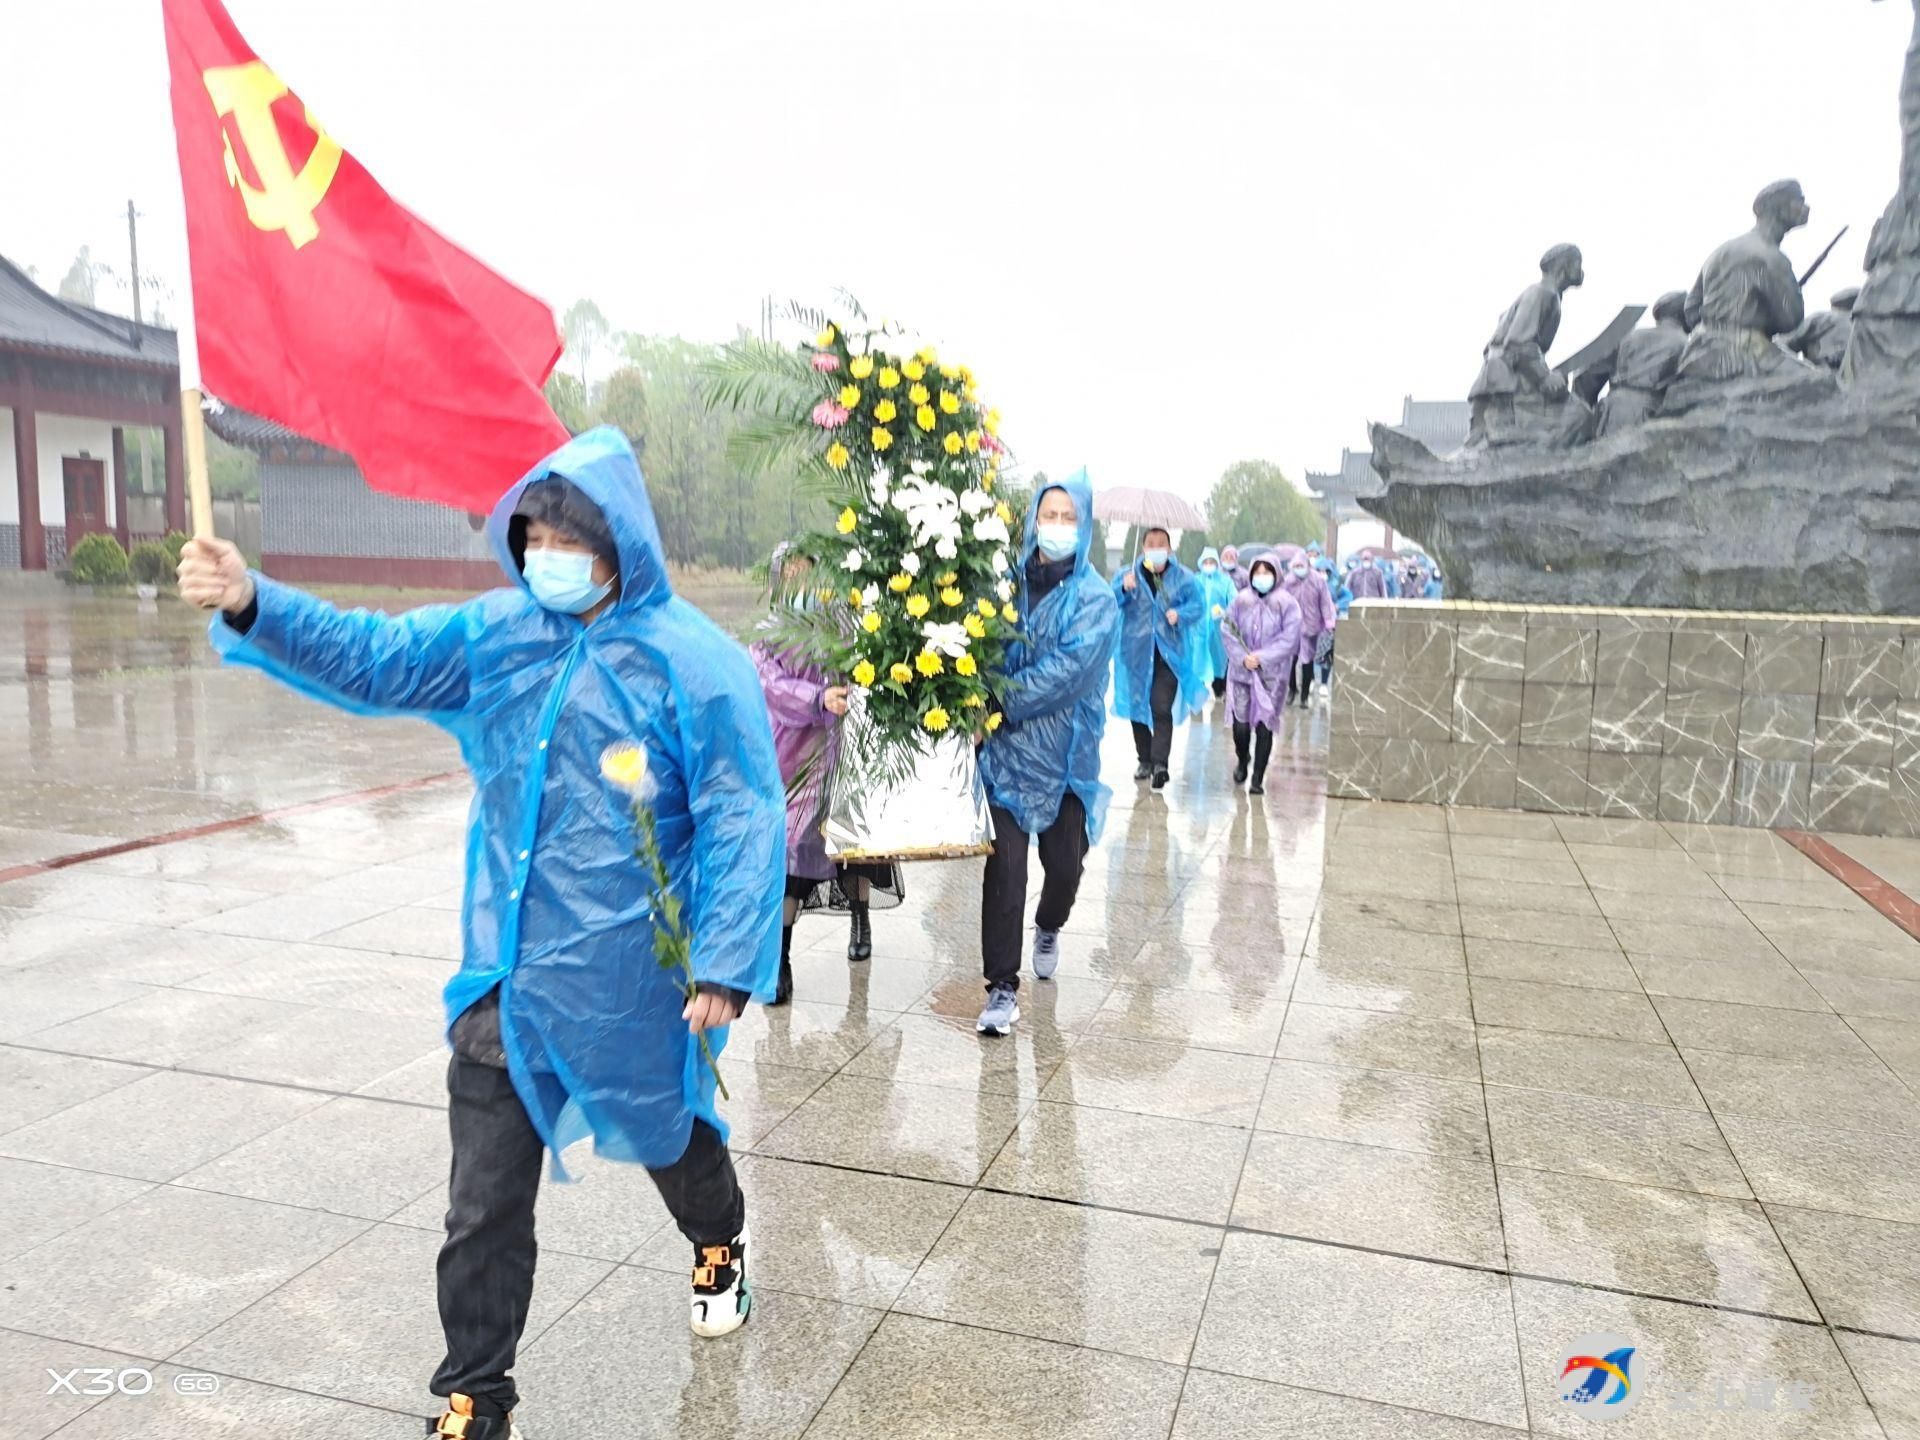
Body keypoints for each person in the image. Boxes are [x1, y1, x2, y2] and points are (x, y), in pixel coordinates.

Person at [177, 427, 784, 1440]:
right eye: (531, 536)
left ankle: (719, 1238)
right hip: (503, 978)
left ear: (619, 546)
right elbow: (375, 656)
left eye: (567, 538)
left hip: (629, 980)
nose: (544, 554)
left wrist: (723, 962)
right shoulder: (498, 633)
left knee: (667, 1137)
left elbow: (741, 811)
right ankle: (475, 1395)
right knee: (483, 1206)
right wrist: (252, 600)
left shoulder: (696, 663)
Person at [975, 473, 1120, 1036]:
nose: (1056, 526)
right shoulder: (1002, 587)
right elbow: (981, 648)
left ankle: (1050, 922)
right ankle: (1001, 988)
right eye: (1049, 515)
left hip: (1065, 757)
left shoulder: (1096, 600)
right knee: (1005, 865)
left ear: (1084, 527)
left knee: (1063, 867)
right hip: (1007, 753)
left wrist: (1000, 699)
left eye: (1068, 517)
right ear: (1034, 520)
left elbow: (1068, 672)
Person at [749, 544, 904, 1004]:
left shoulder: (847, 624)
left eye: (809, 573)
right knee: (793, 855)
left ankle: (860, 917)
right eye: (792, 573)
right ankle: (780, 957)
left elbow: (872, 667)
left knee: (854, 848)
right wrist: (817, 699)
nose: (802, 582)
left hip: (849, 751)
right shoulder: (768, 633)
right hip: (796, 759)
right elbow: (770, 686)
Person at [1678, 180, 1811, 380]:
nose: (1805, 207)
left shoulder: (1719, 252)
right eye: (1799, 200)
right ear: (1779, 207)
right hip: (1745, 354)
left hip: (1700, 350)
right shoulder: (1772, 258)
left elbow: (1691, 309)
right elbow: (1790, 320)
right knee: (1821, 381)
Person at [1112, 526, 1207, 789]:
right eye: (1150, 544)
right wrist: (1123, 589)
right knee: (1138, 707)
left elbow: (1198, 605)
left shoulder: (1183, 578)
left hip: (1169, 656)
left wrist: (1180, 614)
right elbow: (1109, 600)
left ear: (1169, 548)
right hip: (1136, 654)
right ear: (1143, 548)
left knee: (1161, 707)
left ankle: (1160, 764)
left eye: (1161, 544)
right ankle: (1144, 759)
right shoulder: (1129, 575)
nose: (1156, 548)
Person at [1468, 243, 1587, 446]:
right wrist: (1544, 377)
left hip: (1511, 379)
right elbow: (1517, 342)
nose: (1581, 270)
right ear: (1564, 266)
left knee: (1578, 415)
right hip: (1506, 387)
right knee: (1579, 415)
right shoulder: (1542, 293)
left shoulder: (1550, 295)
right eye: (1578, 263)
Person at [1224, 557, 1302, 795]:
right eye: (1257, 572)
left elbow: (1290, 639)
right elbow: (1227, 629)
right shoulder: (1241, 600)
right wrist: (1242, 657)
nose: (1261, 577)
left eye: (1266, 572)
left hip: (1272, 677)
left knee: (1265, 725)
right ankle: (1242, 758)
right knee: (1240, 726)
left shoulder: (1287, 604)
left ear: (1276, 574)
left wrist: (1262, 657)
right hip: (1242, 674)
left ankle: (1257, 778)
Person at [1281, 552, 1337, 707]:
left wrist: (1329, 621)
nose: (1299, 568)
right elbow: (1281, 602)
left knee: (1307, 660)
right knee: (1290, 660)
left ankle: (1304, 696)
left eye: (1301, 565)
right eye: (1296, 566)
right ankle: (1292, 690)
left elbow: (1325, 601)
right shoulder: (1288, 581)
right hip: (1292, 627)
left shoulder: (1318, 580)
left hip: (1312, 627)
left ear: (1308, 565)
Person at [1195, 546, 1237, 700]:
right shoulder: (1195, 580)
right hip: (1198, 628)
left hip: (1218, 628)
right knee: (1198, 658)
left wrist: (1225, 612)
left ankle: (1219, 690)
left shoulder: (1225, 581)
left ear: (1217, 563)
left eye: (1211, 562)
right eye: (1205, 562)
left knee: (1218, 658)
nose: (1208, 565)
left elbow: (1235, 600)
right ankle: (1199, 692)